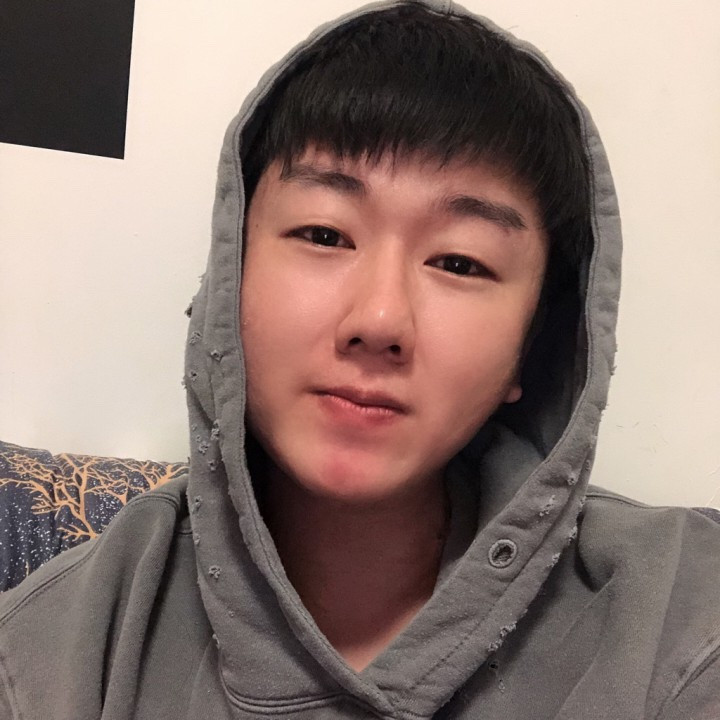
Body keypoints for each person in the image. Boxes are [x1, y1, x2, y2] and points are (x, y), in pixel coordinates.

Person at [1, 1, 719, 718]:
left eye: (460, 262)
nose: (379, 321)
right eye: (324, 234)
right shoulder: (49, 660)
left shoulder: (682, 627)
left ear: (533, 348)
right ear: (227, 285)